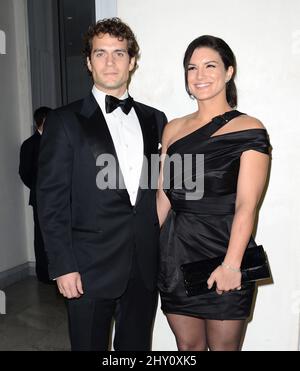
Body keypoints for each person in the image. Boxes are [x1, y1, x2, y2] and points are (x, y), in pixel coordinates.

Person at [37, 18, 167, 351]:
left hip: (143, 265)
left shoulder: (156, 119)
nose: (110, 62)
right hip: (87, 266)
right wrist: (63, 266)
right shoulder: (64, 122)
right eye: (101, 53)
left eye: (119, 53)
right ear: (88, 62)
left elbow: (156, 188)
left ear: (132, 61)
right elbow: (50, 201)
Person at [157, 35, 270, 351]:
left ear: (229, 71)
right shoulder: (172, 129)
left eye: (210, 66)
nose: (200, 75)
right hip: (175, 255)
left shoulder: (250, 128)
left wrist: (232, 264)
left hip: (225, 250)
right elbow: (163, 196)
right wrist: (139, 248)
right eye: (192, 68)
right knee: (188, 348)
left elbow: (248, 205)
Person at [19, 106, 52, 283]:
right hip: (40, 198)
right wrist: (40, 189)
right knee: (41, 235)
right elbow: (24, 172)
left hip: (60, 198)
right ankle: (44, 275)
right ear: (42, 122)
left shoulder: (56, 141)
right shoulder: (29, 145)